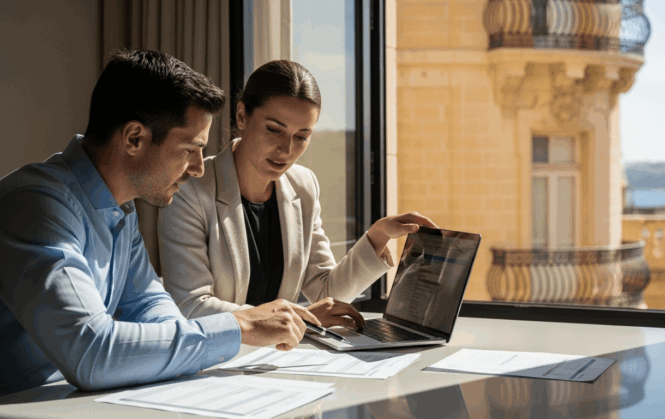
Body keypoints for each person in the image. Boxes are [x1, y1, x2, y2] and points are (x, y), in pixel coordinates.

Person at [0, 50, 321, 397]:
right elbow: (91, 352)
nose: (199, 168)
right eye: (190, 149)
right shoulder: (37, 205)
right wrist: (237, 325)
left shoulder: (120, 211)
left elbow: (148, 307)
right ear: (134, 138)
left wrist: (204, 340)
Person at [157, 60, 437, 328]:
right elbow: (192, 306)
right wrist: (298, 317)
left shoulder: (303, 185)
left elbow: (325, 291)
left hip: (281, 360)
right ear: (242, 116)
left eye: (301, 136)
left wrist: (378, 237)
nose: (286, 150)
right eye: (274, 129)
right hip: (216, 361)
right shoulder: (189, 190)